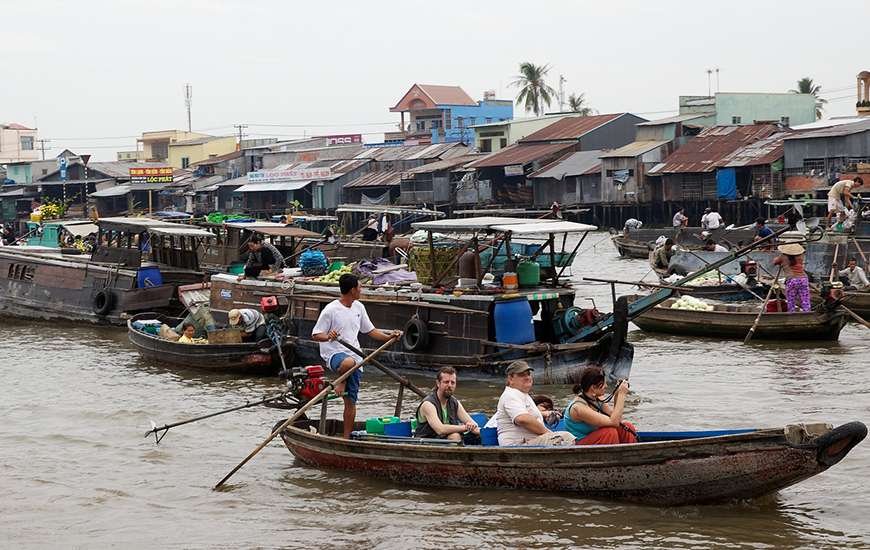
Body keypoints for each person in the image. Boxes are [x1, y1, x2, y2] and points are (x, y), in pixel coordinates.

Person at [311, 274, 401, 439]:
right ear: (352, 290)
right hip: (335, 355)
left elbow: (371, 331)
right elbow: (316, 334)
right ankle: (341, 382)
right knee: (348, 362)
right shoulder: (331, 310)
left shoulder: (359, 307)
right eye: (360, 287)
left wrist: (389, 337)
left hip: (356, 358)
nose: (361, 289)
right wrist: (329, 336)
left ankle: (346, 438)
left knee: (351, 402)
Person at [493, 361, 575, 446]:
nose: (527, 377)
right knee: (566, 437)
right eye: (522, 375)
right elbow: (522, 419)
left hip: (530, 442)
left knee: (564, 436)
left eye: (528, 374)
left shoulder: (522, 394)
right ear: (510, 378)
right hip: (516, 446)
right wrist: (548, 433)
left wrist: (544, 415)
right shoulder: (510, 395)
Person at [564, 367, 637, 445]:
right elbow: (614, 422)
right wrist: (622, 394)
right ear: (593, 388)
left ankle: (631, 454)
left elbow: (617, 418)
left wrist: (617, 394)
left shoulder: (597, 398)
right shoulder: (578, 408)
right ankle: (613, 456)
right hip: (579, 443)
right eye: (603, 384)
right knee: (609, 433)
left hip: (595, 436)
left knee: (627, 427)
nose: (606, 386)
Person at [415, 367, 480, 441]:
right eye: (446, 382)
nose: (450, 385)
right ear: (438, 383)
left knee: (478, 434)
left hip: (445, 440)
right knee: (455, 436)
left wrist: (474, 428)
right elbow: (440, 429)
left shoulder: (455, 402)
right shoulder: (428, 404)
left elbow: (473, 424)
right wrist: (465, 427)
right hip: (427, 443)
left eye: (453, 382)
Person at [773, 243, 810, 312]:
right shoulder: (800, 256)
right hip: (803, 279)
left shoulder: (783, 257)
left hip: (792, 279)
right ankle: (807, 313)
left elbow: (774, 262)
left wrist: (780, 258)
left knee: (791, 300)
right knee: (805, 300)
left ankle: (791, 313)